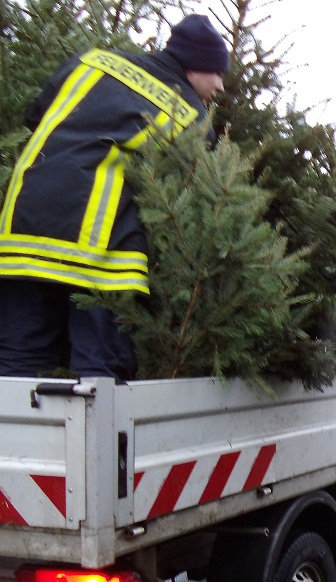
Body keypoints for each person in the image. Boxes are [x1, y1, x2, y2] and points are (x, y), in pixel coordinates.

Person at [0, 14, 229, 381]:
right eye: (216, 73)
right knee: (100, 367)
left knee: (17, 358)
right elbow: (178, 200)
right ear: (194, 65)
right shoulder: (189, 115)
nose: (219, 86)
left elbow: (36, 115)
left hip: (22, 224)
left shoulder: (91, 61)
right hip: (98, 246)